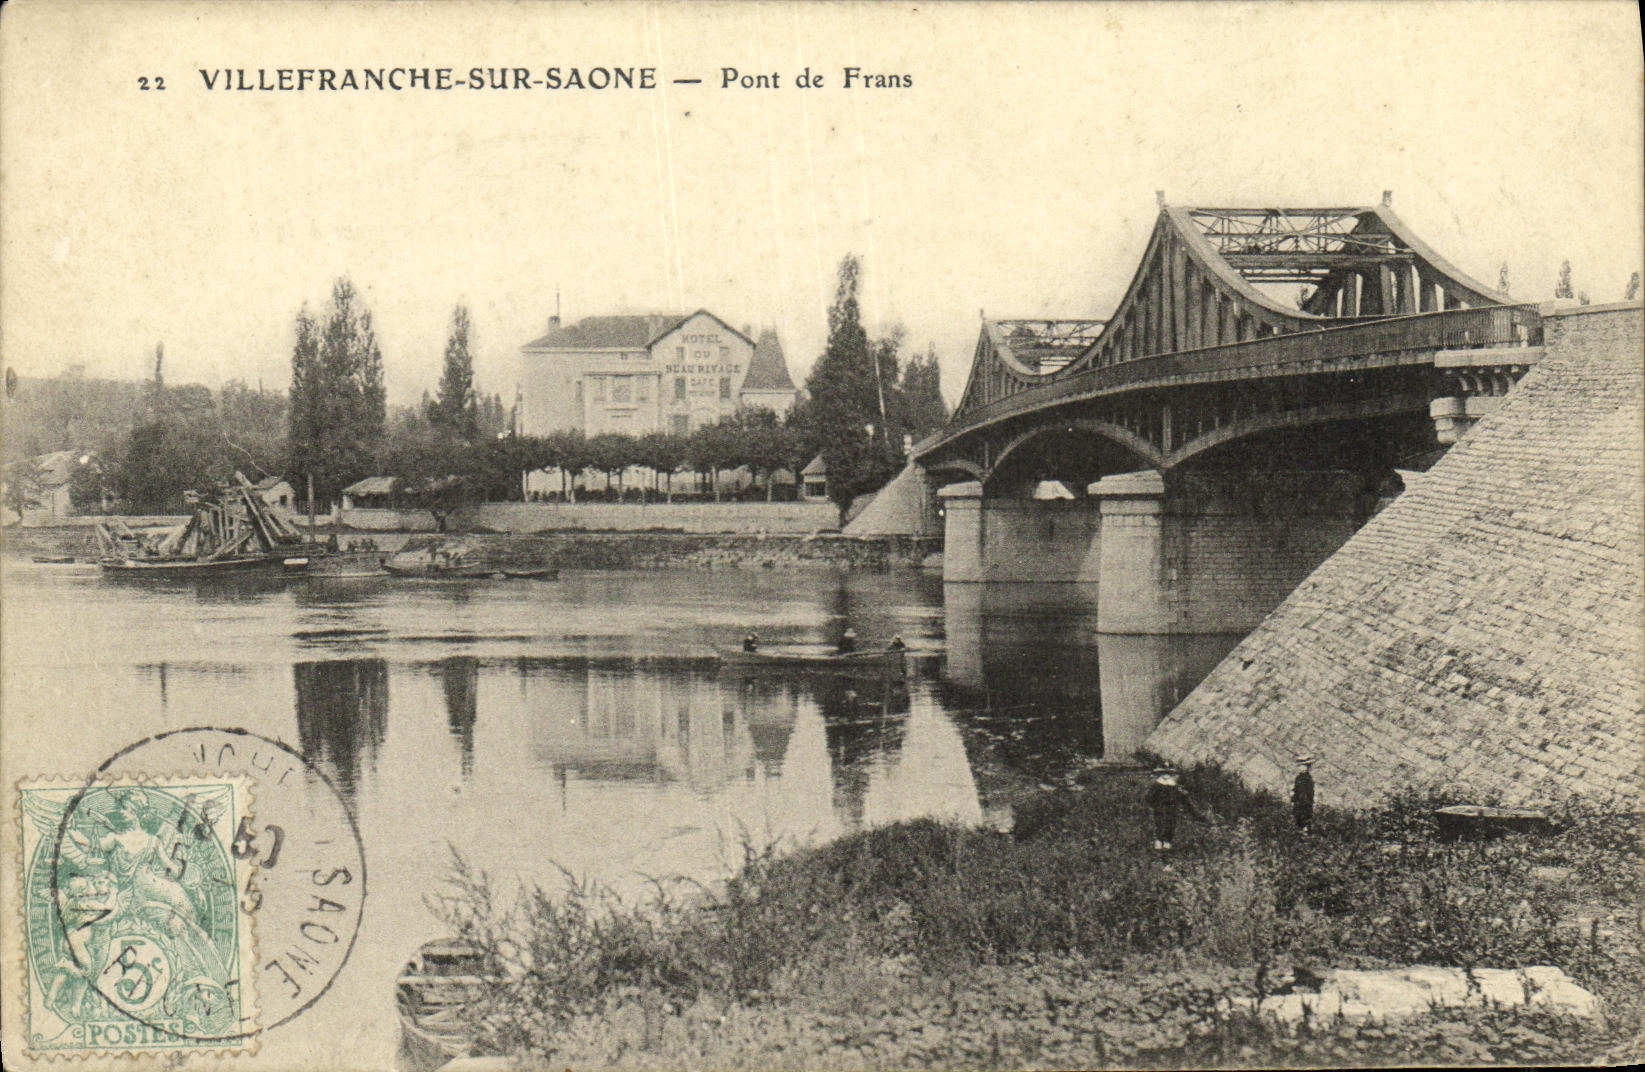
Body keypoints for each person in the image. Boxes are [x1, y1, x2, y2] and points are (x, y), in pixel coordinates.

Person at [1146, 767, 1199, 851]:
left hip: (1172, 807)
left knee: (1171, 823)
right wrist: (1155, 804)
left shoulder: (1174, 786)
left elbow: (1180, 796)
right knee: (1161, 823)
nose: (1166, 775)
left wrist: (1182, 795)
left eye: (1168, 773)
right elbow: (1149, 797)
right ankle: (1159, 841)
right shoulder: (1157, 785)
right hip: (1161, 807)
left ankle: (1167, 842)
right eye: (1164, 773)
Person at [1292, 754, 1315, 834]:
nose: (1301, 768)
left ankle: (1305, 833)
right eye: (1300, 766)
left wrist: (1302, 801)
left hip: (1304, 804)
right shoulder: (1300, 778)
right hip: (1299, 804)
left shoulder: (1306, 778)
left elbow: (1307, 793)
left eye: (1304, 766)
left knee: (1304, 821)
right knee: (1299, 821)